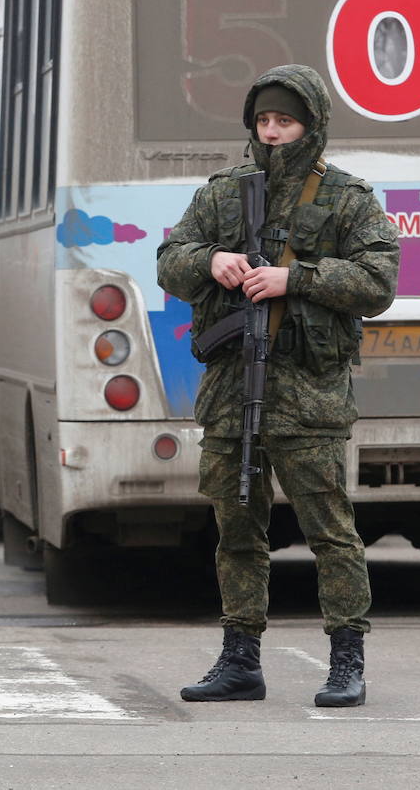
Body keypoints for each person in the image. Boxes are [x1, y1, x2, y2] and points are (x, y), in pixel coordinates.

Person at [156, 64, 400, 707]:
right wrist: (212, 261)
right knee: (237, 529)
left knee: (330, 530)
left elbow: (379, 282)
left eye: (285, 121)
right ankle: (241, 660)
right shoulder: (223, 195)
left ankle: (347, 660)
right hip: (233, 392)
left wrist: (299, 280)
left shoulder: (346, 198)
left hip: (308, 397)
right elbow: (170, 261)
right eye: (263, 121)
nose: (272, 133)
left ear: (311, 125)